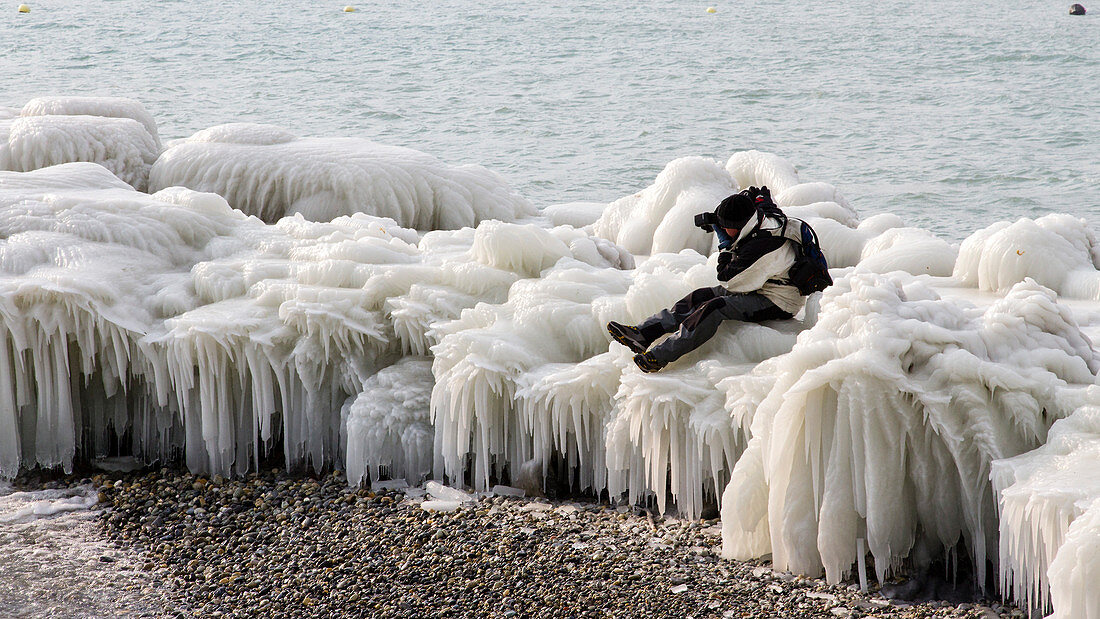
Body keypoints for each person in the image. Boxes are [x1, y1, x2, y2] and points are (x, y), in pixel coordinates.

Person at [607, 188, 808, 373]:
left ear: (740, 226)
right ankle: (642, 334)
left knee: (715, 307)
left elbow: (728, 280)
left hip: (779, 301)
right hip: (763, 282)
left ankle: (659, 357)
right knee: (700, 296)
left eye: (725, 226)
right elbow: (761, 203)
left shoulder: (762, 248)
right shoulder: (759, 216)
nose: (721, 228)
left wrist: (725, 246)